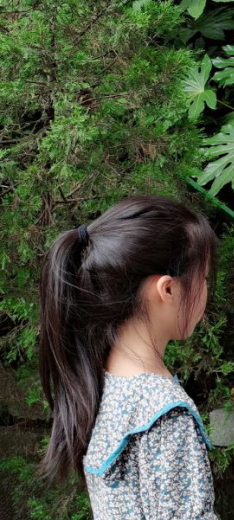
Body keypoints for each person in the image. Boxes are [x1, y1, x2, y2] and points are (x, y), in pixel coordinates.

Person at [38, 194, 220, 519]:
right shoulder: (166, 416)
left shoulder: (102, 384)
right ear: (167, 289)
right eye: (203, 278)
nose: (206, 290)